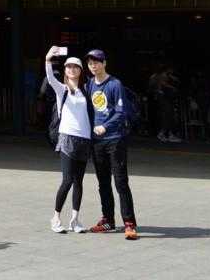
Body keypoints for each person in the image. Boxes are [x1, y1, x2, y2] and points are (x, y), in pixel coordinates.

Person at [85, 48, 138, 239]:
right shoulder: (89, 84)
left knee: (121, 182)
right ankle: (108, 220)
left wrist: (105, 126)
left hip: (115, 139)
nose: (93, 65)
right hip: (97, 142)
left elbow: (120, 112)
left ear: (104, 63)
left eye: (97, 62)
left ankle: (129, 223)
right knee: (103, 183)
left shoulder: (115, 84)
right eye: (90, 63)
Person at [42, 47, 92, 233]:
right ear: (65, 70)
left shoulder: (86, 91)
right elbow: (49, 77)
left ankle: (75, 219)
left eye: (75, 66)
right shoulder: (61, 89)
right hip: (67, 138)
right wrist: (48, 58)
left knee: (79, 181)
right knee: (67, 180)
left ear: (80, 70)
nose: (72, 69)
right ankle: (55, 217)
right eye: (69, 66)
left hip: (84, 139)